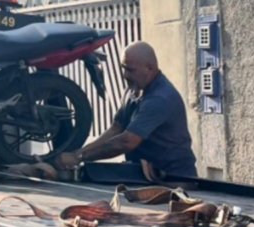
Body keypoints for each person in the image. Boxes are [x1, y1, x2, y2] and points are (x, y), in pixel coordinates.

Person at [54, 41, 197, 177]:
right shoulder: (133, 90)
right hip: (144, 172)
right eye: (123, 68)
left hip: (173, 178)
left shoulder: (160, 98)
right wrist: (78, 153)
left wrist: (79, 157)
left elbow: (126, 142)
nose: (124, 75)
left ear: (150, 68)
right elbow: (116, 129)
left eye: (130, 70)